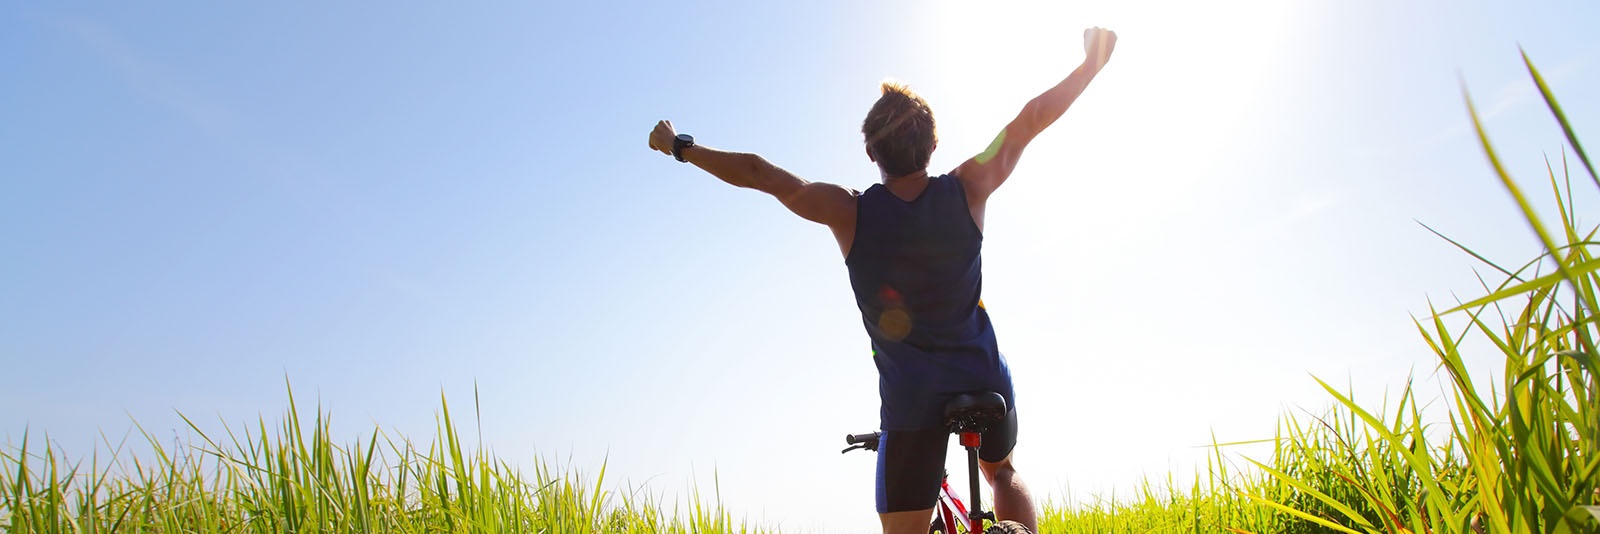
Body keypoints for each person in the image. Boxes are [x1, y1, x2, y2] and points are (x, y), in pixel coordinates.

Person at [647, 27, 1117, 534]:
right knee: (1002, 473)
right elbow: (1029, 121)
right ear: (933, 145)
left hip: (912, 400)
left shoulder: (849, 213)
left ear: (871, 153)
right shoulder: (968, 188)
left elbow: (761, 171)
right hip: (982, 375)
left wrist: (678, 146)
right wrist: (1091, 65)